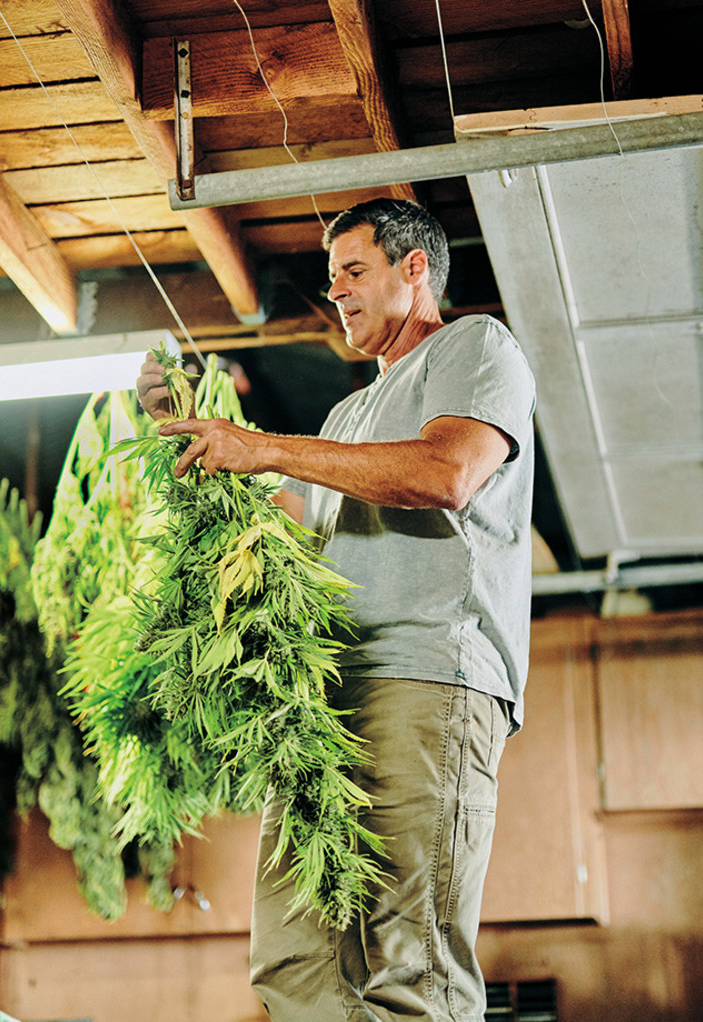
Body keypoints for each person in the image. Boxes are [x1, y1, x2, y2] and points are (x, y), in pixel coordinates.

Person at [136, 197, 536, 1022]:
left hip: (428, 675)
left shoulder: (476, 348)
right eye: (332, 279)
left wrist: (266, 447)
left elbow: (446, 474)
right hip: (325, 704)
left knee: (410, 962)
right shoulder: (346, 417)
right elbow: (289, 532)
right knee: (293, 962)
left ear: (414, 268)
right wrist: (191, 434)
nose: (339, 293)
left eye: (355, 272)